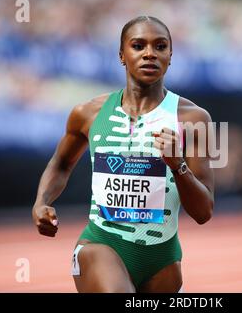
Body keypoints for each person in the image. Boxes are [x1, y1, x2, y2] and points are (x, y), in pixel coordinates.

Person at [31, 16, 215, 293]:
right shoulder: (88, 113)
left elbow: (203, 212)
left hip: (162, 259)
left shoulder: (195, 119)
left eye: (160, 46)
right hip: (101, 244)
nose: (149, 54)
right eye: (138, 46)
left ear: (170, 56)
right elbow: (61, 163)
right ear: (122, 55)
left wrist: (178, 166)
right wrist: (41, 202)